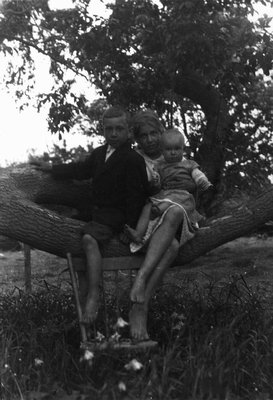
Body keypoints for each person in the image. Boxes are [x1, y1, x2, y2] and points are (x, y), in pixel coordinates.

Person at [31, 106, 149, 325]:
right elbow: (80, 170)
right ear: (103, 130)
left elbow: (137, 196)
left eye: (119, 129)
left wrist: (130, 227)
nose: (113, 133)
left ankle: (94, 295)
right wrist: (52, 168)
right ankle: (83, 295)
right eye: (109, 129)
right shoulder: (99, 154)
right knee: (68, 230)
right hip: (97, 212)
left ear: (128, 131)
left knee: (88, 238)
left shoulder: (132, 159)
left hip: (117, 215)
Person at [128, 110, 212, 341]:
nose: (150, 139)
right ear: (137, 139)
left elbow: (194, 184)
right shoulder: (136, 159)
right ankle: (141, 306)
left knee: (175, 210)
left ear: (161, 133)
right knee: (172, 247)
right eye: (143, 135)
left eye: (154, 133)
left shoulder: (176, 154)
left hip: (178, 212)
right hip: (153, 214)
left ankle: (141, 280)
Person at [125, 128, 212, 249]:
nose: (173, 153)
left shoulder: (188, 164)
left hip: (182, 197)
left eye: (177, 149)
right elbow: (157, 180)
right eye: (169, 149)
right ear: (162, 151)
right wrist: (156, 182)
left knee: (169, 201)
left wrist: (202, 181)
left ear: (183, 149)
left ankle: (159, 209)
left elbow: (197, 174)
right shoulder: (160, 165)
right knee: (147, 206)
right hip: (165, 194)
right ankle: (138, 234)